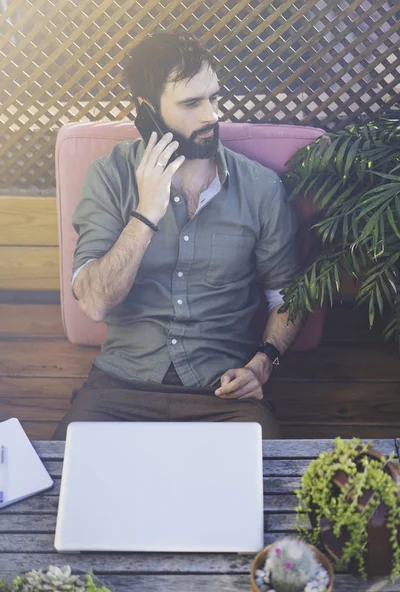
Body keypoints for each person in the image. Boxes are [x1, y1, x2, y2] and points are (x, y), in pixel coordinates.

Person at [52, 31, 302, 441]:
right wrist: (146, 213)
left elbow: (288, 297)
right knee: (65, 491)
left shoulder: (260, 188)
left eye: (214, 98)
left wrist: (263, 363)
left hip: (223, 394)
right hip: (119, 388)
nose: (211, 116)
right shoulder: (110, 176)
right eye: (191, 103)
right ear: (148, 111)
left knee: (265, 491)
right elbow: (95, 304)